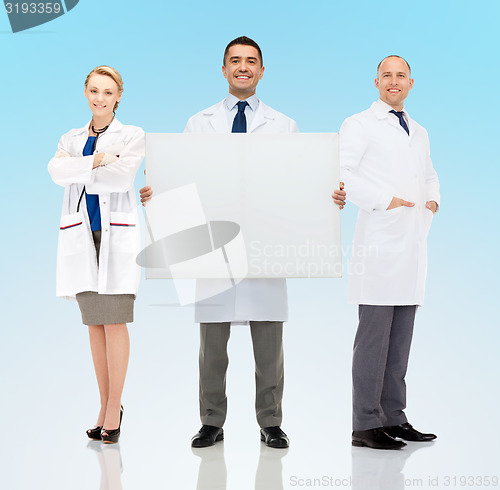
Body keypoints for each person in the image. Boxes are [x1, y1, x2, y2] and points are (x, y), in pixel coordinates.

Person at [140, 36, 346, 448]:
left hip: (267, 246)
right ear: (223, 69)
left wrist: (329, 196)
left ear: (262, 71)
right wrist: (155, 191)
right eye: (235, 61)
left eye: (251, 61)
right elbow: (180, 179)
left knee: (269, 345)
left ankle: (271, 422)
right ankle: (211, 422)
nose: (243, 67)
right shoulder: (199, 124)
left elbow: (301, 181)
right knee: (212, 346)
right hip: (215, 249)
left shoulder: (283, 126)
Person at [340, 55, 440, 450]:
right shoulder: (359, 124)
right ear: (376, 82)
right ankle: (365, 424)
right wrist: (387, 200)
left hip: (412, 246)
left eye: (401, 76)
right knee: (374, 339)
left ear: (411, 83)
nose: (394, 81)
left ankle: (394, 417)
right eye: (387, 76)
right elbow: (342, 173)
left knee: (400, 341)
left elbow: (429, 173)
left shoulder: (419, 130)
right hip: (381, 246)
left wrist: (432, 200)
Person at [48, 66, 145, 444]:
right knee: (94, 323)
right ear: (85, 93)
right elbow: (56, 171)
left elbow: (121, 178)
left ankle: (115, 406)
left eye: (108, 92)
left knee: (115, 321)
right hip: (81, 237)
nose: (100, 98)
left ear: (119, 96)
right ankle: (105, 405)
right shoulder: (70, 137)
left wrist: (81, 168)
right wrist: (100, 159)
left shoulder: (132, 135)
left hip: (114, 237)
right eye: (94, 91)